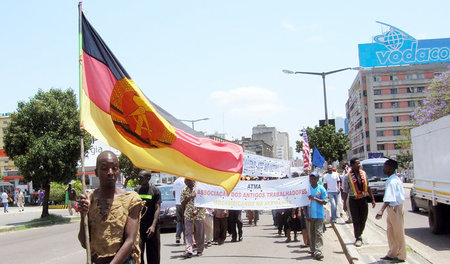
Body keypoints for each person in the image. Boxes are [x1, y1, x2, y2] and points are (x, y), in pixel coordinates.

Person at [78, 151, 143, 264]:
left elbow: (130, 241)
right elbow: (85, 243)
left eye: (114, 168)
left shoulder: (131, 199)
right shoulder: (90, 199)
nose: (110, 172)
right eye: (104, 168)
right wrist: (83, 214)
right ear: (96, 172)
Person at [375, 159, 406, 263]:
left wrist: (381, 210)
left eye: (385, 167)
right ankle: (392, 253)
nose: (383, 169)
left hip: (395, 208)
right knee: (391, 232)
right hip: (392, 209)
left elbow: (389, 198)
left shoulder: (392, 181)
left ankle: (401, 256)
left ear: (391, 168)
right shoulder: (392, 179)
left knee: (398, 233)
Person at [342, 157, 376, 247]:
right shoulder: (347, 177)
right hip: (353, 200)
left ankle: (359, 233)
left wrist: (372, 199)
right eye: (357, 164)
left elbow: (368, 186)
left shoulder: (363, 174)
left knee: (363, 218)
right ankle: (358, 237)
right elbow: (345, 191)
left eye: (359, 163)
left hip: (363, 199)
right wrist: (344, 203)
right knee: (356, 219)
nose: (359, 165)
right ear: (352, 165)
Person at [135, 170, 161, 264]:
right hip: (140, 227)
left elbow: (157, 208)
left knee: (153, 254)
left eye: (141, 178)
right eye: (138, 177)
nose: (138, 179)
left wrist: (153, 226)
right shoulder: (136, 190)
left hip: (152, 228)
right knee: (138, 252)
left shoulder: (155, 191)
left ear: (148, 178)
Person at [180, 179, 206, 258]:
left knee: (199, 234)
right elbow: (182, 203)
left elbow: (203, 201)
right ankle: (188, 251)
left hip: (199, 215)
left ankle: (199, 250)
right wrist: (190, 197)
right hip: (188, 215)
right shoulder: (184, 190)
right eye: (185, 182)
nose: (186, 183)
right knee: (188, 233)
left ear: (193, 181)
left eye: (188, 181)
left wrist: (197, 210)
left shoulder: (200, 189)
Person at [306, 172, 328, 260]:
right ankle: (313, 249)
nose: (312, 180)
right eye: (311, 179)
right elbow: (304, 202)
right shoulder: (307, 189)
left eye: (314, 178)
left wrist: (315, 199)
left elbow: (325, 201)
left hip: (319, 214)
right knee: (312, 233)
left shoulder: (321, 189)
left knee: (318, 232)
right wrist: (306, 214)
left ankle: (318, 251)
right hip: (310, 215)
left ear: (317, 179)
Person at [172, 177, 186, 244]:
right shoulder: (186, 180)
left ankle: (178, 236)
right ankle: (185, 238)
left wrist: (177, 199)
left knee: (179, 221)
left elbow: (174, 192)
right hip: (184, 203)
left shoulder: (176, 181)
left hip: (178, 203)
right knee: (185, 221)